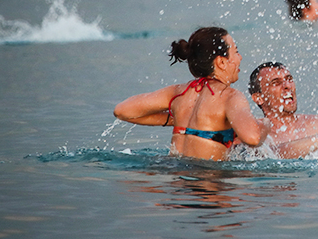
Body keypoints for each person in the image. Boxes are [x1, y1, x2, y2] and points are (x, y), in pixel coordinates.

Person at [113, 27, 270, 161]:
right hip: (207, 185)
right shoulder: (229, 96)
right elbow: (253, 138)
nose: (240, 57)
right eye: (236, 52)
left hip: (175, 178)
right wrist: (265, 124)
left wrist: (177, 119)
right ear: (221, 62)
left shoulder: (179, 92)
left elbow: (122, 111)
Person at [247, 62, 318, 159]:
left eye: (289, 79)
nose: (287, 85)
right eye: (276, 83)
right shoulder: (257, 132)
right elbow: (270, 156)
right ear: (259, 98)